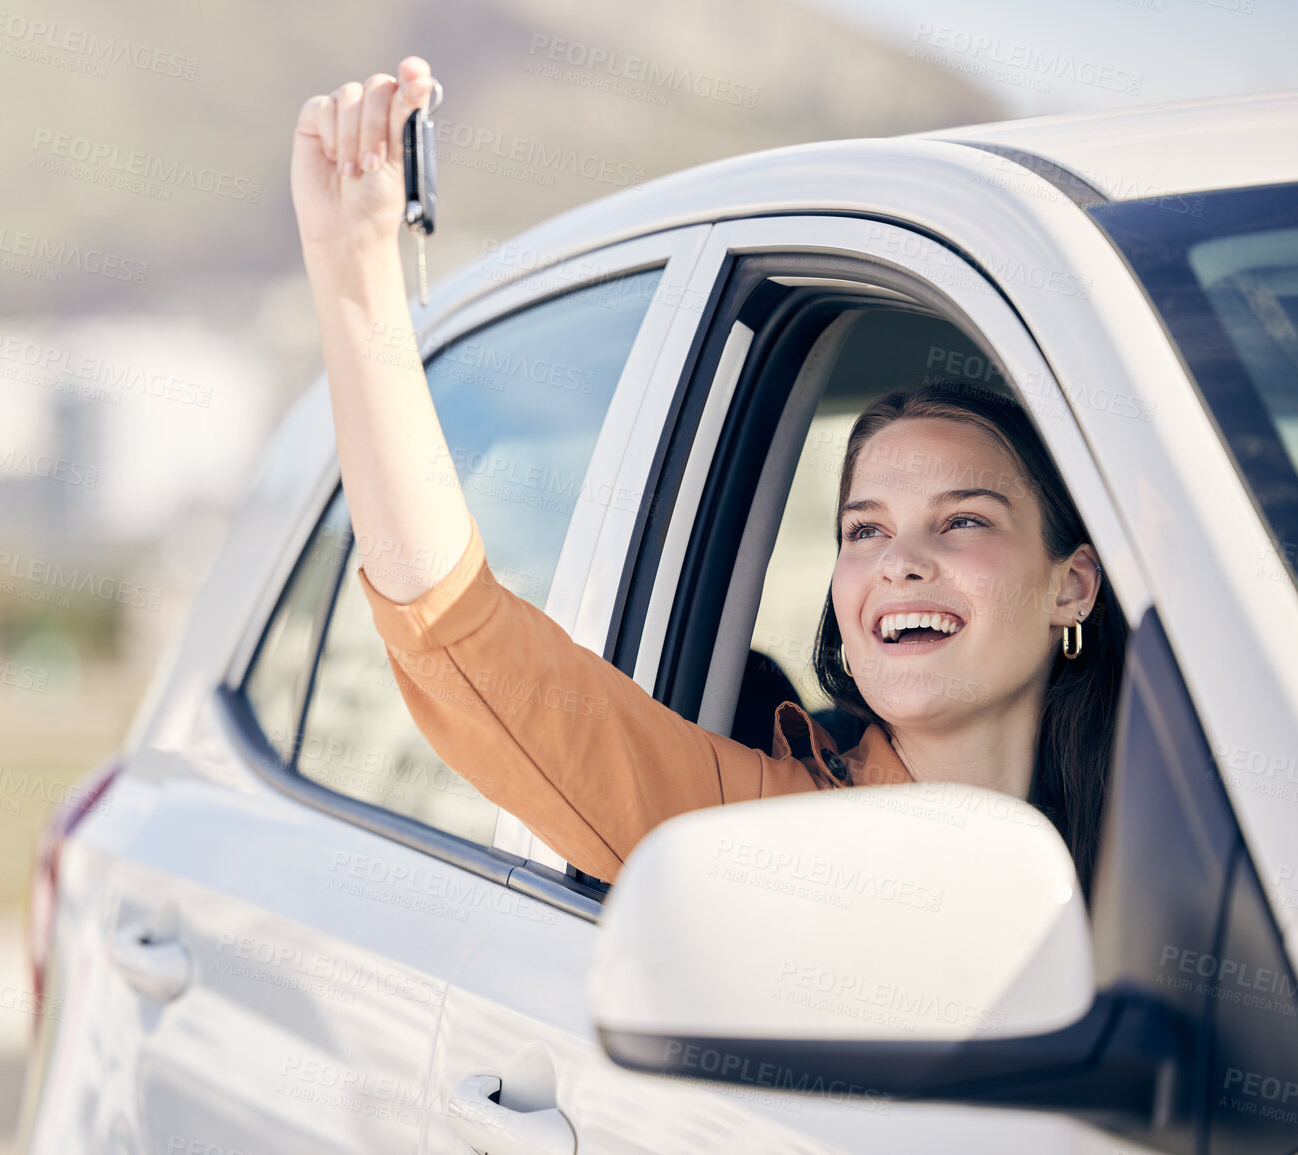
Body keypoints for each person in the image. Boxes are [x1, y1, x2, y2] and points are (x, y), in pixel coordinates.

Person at [290, 56, 1129, 892]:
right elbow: (457, 628)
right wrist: (354, 269)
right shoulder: (755, 831)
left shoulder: (1178, 852)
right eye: (863, 529)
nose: (897, 561)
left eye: (962, 520)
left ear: (1073, 584)